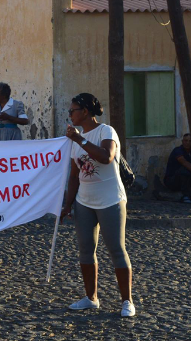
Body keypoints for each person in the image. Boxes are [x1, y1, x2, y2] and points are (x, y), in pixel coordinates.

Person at [60, 93, 135, 318]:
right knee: (85, 250)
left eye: (72, 110)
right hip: (85, 201)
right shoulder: (76, 140)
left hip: (110, 200)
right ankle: (91, 298)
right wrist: (67, 204)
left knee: (116, 250)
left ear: (84, 112)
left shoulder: (106, 131)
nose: (70, 115)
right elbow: (74, 176)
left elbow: (106, 156)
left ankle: (127, 301)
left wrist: (80, 140)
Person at [164, 134, 191, 203]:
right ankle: (185, 196)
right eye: (186, 140)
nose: (188, 143)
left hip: (184, 180)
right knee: (186, 170)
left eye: (190, 141)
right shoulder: (178, 150)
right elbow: (184, 162)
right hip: (172, 181)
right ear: (182, 141)